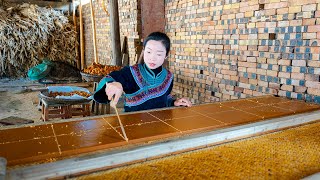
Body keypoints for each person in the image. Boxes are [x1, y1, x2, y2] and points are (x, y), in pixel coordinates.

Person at [94, 32, 192, 112]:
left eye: (158, 54)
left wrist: (174, 102)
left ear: (166, 55)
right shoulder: (130, 72)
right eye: (149, 52)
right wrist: (113, 84)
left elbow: (165, 98)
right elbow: (108, 78)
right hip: (133, 124)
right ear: (144, 51)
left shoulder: (168, 77)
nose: (152, 58)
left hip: (160, 125)